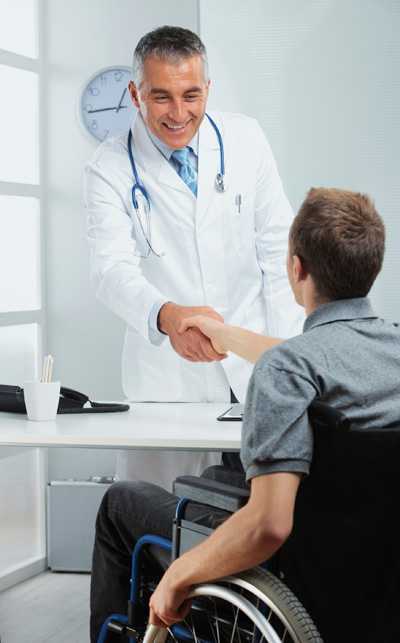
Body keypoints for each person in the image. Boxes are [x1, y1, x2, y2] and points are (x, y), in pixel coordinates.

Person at [90, 187, 400, 642]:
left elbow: (270, 525)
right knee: (222, 470)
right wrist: (224, 335)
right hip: (377, 576)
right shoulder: (384, 349)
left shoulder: (285, 372)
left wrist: (182, 572)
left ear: (296, 268)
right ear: (372, 267)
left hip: (295, 577)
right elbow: (310, 353)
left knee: (121, 503)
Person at [84, 25, 302, 488]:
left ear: (208, 89)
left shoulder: (246, 139)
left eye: (191, 95)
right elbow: (109, 270)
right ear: (134, 93)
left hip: (251, 366)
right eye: (161, 97)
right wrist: (166, 316)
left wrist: (285, 357)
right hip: (169, 380)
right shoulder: (109, 166)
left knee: (255, 522)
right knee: (157, 519)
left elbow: (280, 254)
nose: (179, 113)